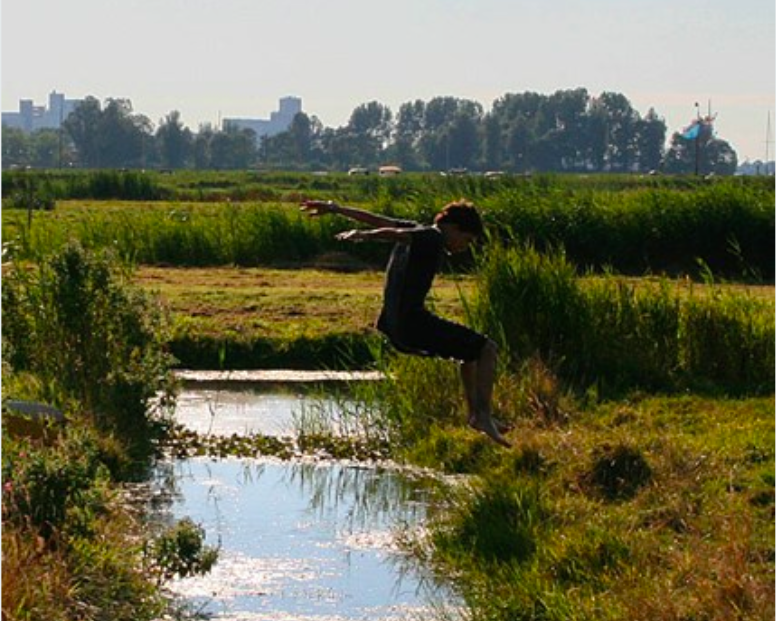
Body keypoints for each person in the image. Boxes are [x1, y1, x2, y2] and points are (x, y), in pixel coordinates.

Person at [300, 198, 511, 447]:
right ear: (454, 228)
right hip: (413, 324)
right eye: (466, 240)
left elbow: (379, 220)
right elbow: (393, 233)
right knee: (487, 348)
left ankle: (475, 414)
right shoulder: (432, 237)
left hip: (395, 326)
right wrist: (365, 235)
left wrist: (336, 209)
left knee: (470, 354)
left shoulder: (420, 231)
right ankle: (483, 415)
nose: (464, 247)